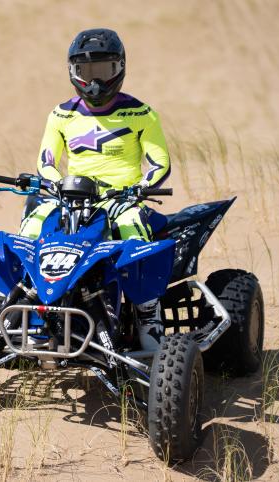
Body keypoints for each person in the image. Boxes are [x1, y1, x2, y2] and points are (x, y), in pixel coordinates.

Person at [22, 28, 172, 329]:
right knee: (31, 226)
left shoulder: (142, 114)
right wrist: (55, 183)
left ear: (120, 68)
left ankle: (147, 310)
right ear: (72, 71)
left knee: (133, 232)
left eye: (103, 70)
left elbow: (160, 163)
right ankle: (14, 298)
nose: (94, 82)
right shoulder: (61, 115)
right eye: (86, 71)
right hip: (71, 197)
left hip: (122, 200)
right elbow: (46, 161)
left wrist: (139, 188)